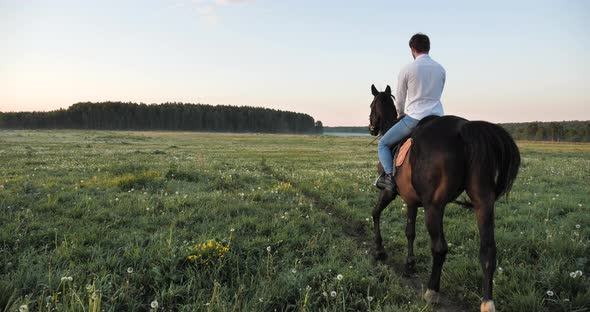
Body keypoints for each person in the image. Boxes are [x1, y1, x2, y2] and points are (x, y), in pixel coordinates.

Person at [376, 33, 446, 192]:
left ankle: (388, 178)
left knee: (383, 144)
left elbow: (400, 98)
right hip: (438, 119)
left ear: (412, 49)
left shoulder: (407, 69)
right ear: (428, 47)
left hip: (415, 118)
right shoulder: (440, 69)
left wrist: (400, 113)